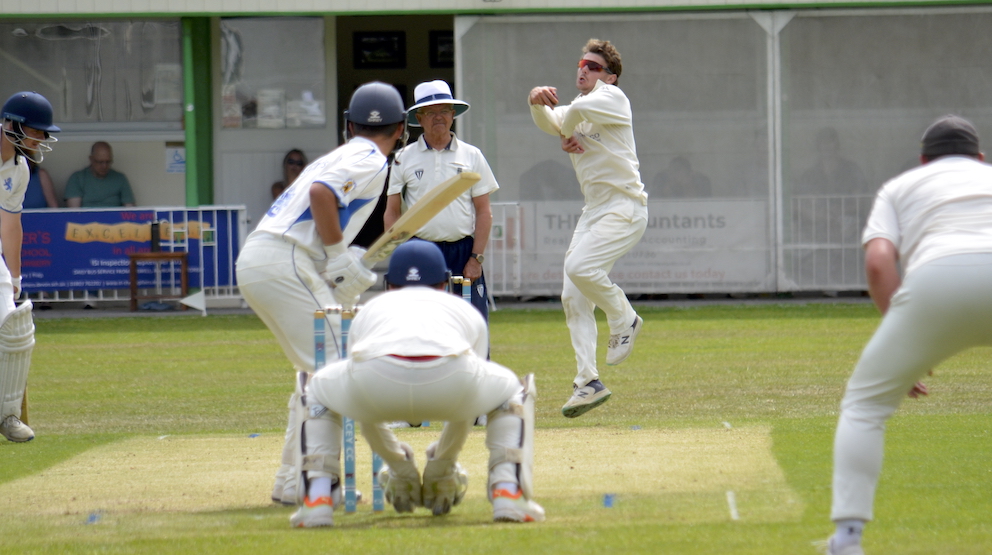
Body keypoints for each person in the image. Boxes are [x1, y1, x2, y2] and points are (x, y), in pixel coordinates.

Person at [289, 239, 544, 527]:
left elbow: (362, 405)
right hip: (451, 379)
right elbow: (467, 402)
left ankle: (317, 498)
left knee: (315, 390)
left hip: (375, 382)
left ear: (389, 285)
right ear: (445, 284)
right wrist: (442, 465)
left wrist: (399, 465)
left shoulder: (372, 309)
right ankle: (508, 491)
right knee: (511, 390)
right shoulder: (463, 310)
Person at [826, 115, 992, 555]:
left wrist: (906, 342)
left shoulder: (899, 188)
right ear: (980, 158)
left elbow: (879, 264)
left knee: (864, 405)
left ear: (923, 161)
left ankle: (846, 541)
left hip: (937, 281)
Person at [235, 81, 407, 506]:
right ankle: (321, 478)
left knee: (317, 375)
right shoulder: (369, 156)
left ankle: (293, 481)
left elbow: (320, 200)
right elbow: (320, 196)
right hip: (285, 259)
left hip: (266, 259)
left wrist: (340, 263)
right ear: (402, 128)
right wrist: (337, 258)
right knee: (337, 370)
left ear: (348, 125)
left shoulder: (347, 152)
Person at [528, 38, 649, 418]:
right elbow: (550, 121)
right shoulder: (580, 110)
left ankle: (623, 315)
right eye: (582, 63)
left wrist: (565, 126)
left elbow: (563, 118)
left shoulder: (613, 99)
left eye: (594, 67)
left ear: (609, 77)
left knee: (581, 268)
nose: (584, 69)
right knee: (572, 294)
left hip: (625, 207)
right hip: (594, 210)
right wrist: (535, 100)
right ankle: (587, 382)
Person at [385, 80, 497, 320]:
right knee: (421, 323)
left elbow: (484, 211)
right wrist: (399, 254)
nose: (439, 117)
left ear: (453, 115)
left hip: (462, 251)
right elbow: (392, 212)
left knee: (470, 322)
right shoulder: (403, 158)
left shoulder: (472, 155)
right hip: (419, 250)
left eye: (444, 110)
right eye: (431, 112)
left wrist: (476, 258)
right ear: (420, 118)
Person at [0, 91, 60, 442]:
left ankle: (7, 417)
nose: (40, 139)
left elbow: (10, 223)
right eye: (36, 131)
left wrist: (16, 275)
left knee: (15, 329)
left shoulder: (20, 170)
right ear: (12, 125)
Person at [64, 141, 136, 207]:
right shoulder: (77, 178)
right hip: (87, 220)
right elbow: (74, 213)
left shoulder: (120, 178)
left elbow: (130, 211)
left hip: (115, 220)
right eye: (100, 162)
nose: (104, 166)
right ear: (91, 159)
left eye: (108, 162)